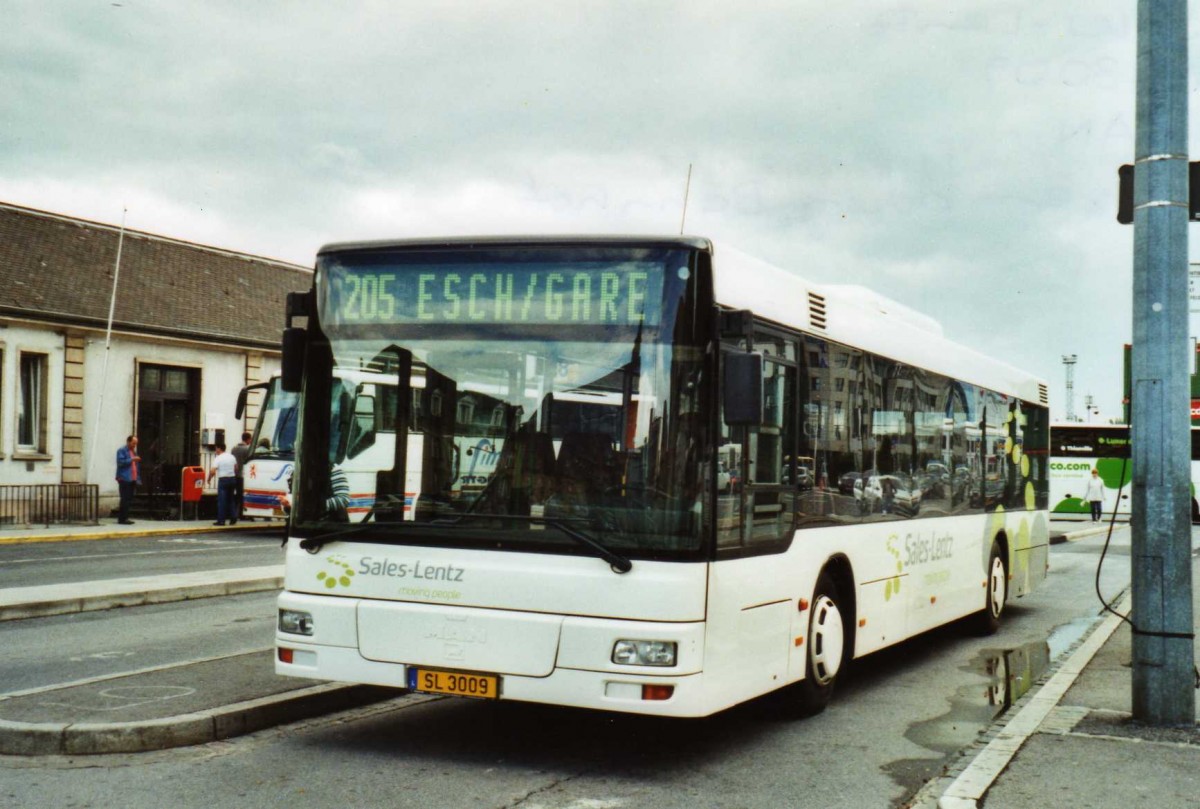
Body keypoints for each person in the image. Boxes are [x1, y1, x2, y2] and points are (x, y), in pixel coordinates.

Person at [208, 441, 239, 526]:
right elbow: (236, 468)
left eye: (216, 448)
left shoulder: (218, 458)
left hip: (223, 479)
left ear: (219, 448)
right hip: (232, 479)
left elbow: (213, 471)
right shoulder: (232, 457)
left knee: (222, 501)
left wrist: (209, 479)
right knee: (231, 499)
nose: (215, 450)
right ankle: (233, 518)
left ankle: (221, 520)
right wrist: (234, 475)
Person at [115, 435, 141, 525]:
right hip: (124, 478)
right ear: (128, 442)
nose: (134, 445)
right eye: (133, 443)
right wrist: (132, 459)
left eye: (136, 444)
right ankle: (122, 519)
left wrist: (137, 478)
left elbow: (136, 466)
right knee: (124, 498)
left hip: (132, 478)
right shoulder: (121, 450)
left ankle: (126, 517)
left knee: (129, 499)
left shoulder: (133, 452)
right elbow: (120, 463)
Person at [230, 431, 252, 524]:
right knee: (242, 495)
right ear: (248, 439)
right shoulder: (247, 449)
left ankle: (234, 514)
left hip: (234, 474)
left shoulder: (234, 449)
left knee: (235, 495)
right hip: (243, 474)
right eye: (250, 439)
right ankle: (242, 514)